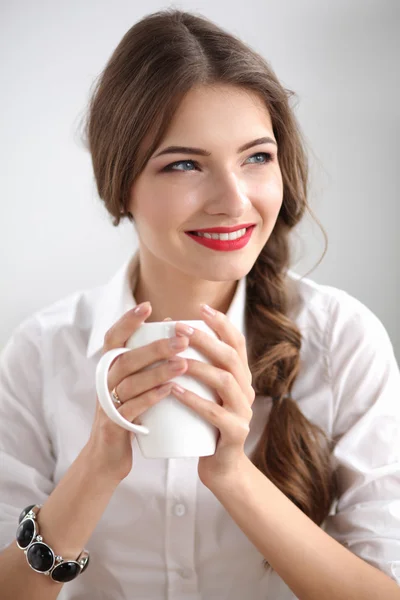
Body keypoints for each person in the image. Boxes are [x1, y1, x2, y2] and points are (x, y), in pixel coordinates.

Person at [0, 8, 399, 600]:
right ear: (121, 183)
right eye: (184, 164)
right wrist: (97, 467)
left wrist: (233, 474)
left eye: (256, 157)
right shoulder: (42, 350)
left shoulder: (341, 338)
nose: (233, 200)